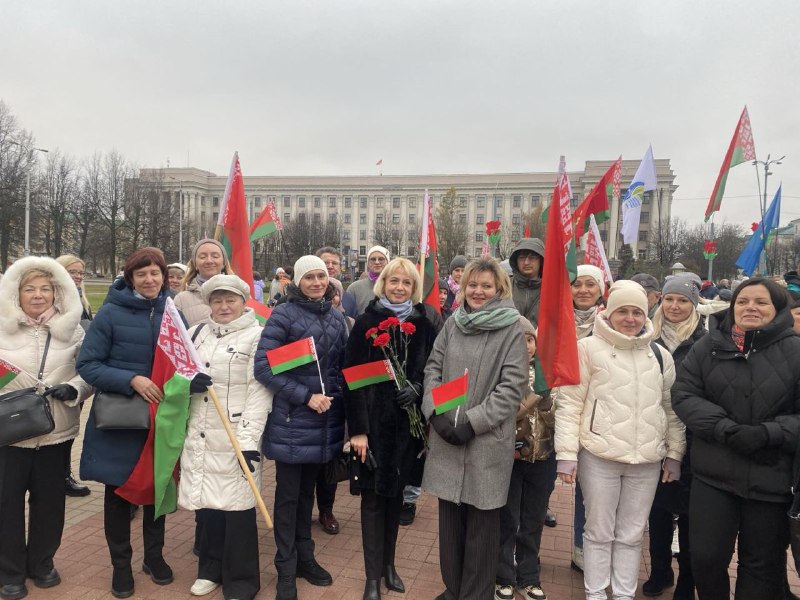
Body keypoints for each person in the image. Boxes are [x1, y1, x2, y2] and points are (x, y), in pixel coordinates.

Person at [555, 281, 685, 600]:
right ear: (609, 313)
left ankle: (624, 593)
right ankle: (596, 591)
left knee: (630, 534)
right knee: (598, 531)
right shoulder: (587, 348)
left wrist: (675, 454)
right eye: (622, 311)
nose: (630, 318)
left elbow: (671, 409)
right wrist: (566, 454)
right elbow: (571, 403)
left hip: (647, 461)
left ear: (646, 314)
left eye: (637, 312)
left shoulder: (660, 355)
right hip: (599, 457)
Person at [672, 277, 800, 600]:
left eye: (761, 302)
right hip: (713, 476)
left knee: (761, 568)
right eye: (743, 302)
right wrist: (723, 428)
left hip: (771, 482)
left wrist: (767, 433)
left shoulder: (796, 351)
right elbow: (684, 395)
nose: (750, 308)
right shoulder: (709, 345)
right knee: (706, 558)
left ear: (778, 308)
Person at [422, 257, 529, 600]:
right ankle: (454, 589)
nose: (478, 291)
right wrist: (435, 413)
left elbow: (512, 388)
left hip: (485, 441)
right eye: (472, 284)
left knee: (482, 530)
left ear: (499, 288)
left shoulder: (513, 327)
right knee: (451, 524)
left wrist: (473, 423)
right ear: (462, 287)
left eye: (486, 285)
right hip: (447, 436)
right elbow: (433, 369)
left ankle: (475, 595)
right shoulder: (454, 322)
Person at [78, 247, 180, 599]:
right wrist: (132, 379)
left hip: (161, 419)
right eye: (142, 274)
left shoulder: (172, 311)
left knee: (158, 490)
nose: (150, 280)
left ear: (164, 276)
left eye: (156, 273)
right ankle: (121, 566)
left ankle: (154, 557)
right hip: (121, 421)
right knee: (118, 495)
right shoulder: (109, 313)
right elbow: (88, 365)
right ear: (130, 278)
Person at [254, 255, 348, 600]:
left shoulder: (337, 317)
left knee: (307, 495)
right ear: (297, 280)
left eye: (321, 276)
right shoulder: (283, 314)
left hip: (325, 423)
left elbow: (339, 370)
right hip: (294, 421)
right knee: (288, 498)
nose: (317, 282)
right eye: (309, 277)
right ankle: (286, 568)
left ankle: (306, 556)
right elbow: (264, 367)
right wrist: (306, 396)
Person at [344, 257, 439, 600]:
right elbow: (351, 380)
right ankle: (372, 578)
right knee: (372, 502)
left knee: (396, 498)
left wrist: (419, 389)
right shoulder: (366, 323)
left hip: (408, 429)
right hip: (374, 428)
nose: (399, 287)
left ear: (414, 288)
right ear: (382, 283)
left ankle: (389, 566)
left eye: (407, 283)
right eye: (393, 281)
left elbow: (433, 369)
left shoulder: (424, 324)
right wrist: (358, 431)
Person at [0, 257, 92, 600]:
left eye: (45, 289)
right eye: (29, 289)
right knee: (7, 504)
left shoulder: (74, 329)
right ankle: (9, 571)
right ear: (16, 294)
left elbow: (90, 370)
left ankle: (41, 563)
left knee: (50, 503)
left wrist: (77, 389)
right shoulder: (1, 326)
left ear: (57, 292)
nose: (38, 296)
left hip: (57, 430)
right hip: (10, 435)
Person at [178, 274, 272, 600]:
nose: (223, 306)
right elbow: (178, 376)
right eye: (217, 300)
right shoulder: (196, 333)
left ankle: (242, 580)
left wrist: (248, 441)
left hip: (235, 436)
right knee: (208, 508)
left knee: (238, 509)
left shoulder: (258, 336)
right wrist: (186, 384)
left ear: (244, 301)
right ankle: (209, 569)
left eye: (230, 299)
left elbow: (261, 392)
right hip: (201, 434)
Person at [642, 277, 705, 599]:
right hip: (655, 436)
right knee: (659, 513)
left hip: (694, 442)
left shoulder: (706, 342)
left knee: (692, 518)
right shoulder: (647, 338)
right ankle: (661, 571)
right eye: (669, 300)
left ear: (693, 305)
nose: (675, 307)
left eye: (682, 301)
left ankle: (687, 582)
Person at [495, 317, 555, 600]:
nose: (525, 346)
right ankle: (502, 575)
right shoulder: (500, 372)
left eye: (529, 339)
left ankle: (529, 576)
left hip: (542, 458)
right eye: (517, 340)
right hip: (510, 457)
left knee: (533, 519)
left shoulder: (549, 373)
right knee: (507, 519)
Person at [567, 263, 607, 572]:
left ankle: (582, 548)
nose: (582, 290)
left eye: (589, 285)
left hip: (596, 416)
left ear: (600, 290)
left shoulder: (612, 323)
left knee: (589, 491)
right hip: (558, 411)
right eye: (577, 284)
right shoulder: (557, 318)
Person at [55, 254, 93, 498]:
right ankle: (60, 476)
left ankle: (63, 473)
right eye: (72, 271)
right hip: (56, 372)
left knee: (68, 428)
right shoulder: (55, 301)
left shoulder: (81, 300)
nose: (78, 277)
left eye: (81, 272)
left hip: (77, 374)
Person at [174, 239, 234, 326]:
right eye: (202, 257)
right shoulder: (181, 300)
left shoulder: (240, 294)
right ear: (195, 264)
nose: (209, 261)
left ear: (224, 263)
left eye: (215, 256)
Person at [509, 238, 544, 326]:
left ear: (541, 260)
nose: (526, 262)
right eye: (522, 257)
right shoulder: (505, 286)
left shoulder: (551, 289)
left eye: (532, 257)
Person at [346, 245, 390, 315]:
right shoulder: (354, 288)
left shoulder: (395, 287)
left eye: (381, 259)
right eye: (373, 259)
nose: (377, 262)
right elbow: (347, 317)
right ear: (368, 264)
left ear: (387, 262)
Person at [317, 246, 357, 318]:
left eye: (334, 263)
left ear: (340, 267)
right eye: (326, 263)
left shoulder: (349, 298)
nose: (330, 266)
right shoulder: (308, 296)